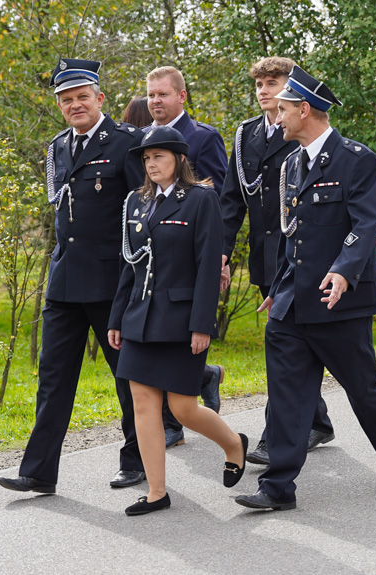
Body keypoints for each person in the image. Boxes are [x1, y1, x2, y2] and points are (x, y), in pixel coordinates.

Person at [234, 66, 376, 511]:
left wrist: (344, 270)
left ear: (305, 110)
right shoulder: (292, 163)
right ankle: (278, 488)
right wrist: (278, 287)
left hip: (340, 300)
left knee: (361, 386)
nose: (277, 117)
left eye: (284, 109)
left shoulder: (357, 159)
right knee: (289, 394)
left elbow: (365, 222)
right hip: (294, 300)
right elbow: (291, 234)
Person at [0, 58, 146, 494]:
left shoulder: (127, 144)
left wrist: (138, 276)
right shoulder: (57, 147)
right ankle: (39, 471)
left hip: (111, 280)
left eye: (83, 97)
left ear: (100, 98)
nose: (75, 105)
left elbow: (143, 210)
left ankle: (136, 458)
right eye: (67, 100)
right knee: (53, 376)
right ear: (60, 106)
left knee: (127, 375)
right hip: (64, 282)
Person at [107, 125, 247, 516]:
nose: (151, 164)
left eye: (159, 157)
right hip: (139, 316)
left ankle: (234, 444)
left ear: (179, 159)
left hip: (181, 318)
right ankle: (156, 491)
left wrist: (202, 324)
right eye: (146, 158)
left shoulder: (201, 199)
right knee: (143, 404)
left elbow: (207, 266)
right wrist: (116, 317)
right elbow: (129, 265)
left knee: (183, 408)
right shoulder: (135, 202)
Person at [219, 56, 334, 466]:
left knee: (288, 348)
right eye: (260, 84)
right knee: (291, 345)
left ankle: (277, 433)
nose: (265, 90)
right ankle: (316, 421)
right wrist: (222, 252)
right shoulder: (245, 134)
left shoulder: (301, 127)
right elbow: (232, 200)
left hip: (304, 256)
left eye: (273, 82)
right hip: (268, 257)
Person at [144, 65, 226, 445]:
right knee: (155, 338)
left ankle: (179, 417)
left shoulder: (203, 138)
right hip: (151, 256)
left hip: (190, 254)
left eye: (162, 94)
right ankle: (179, 412)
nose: (155, 101)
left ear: (182, 96)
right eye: (151, 95)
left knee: (178, 337)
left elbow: (219, 203)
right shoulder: (142, 140)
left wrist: (220, 257)